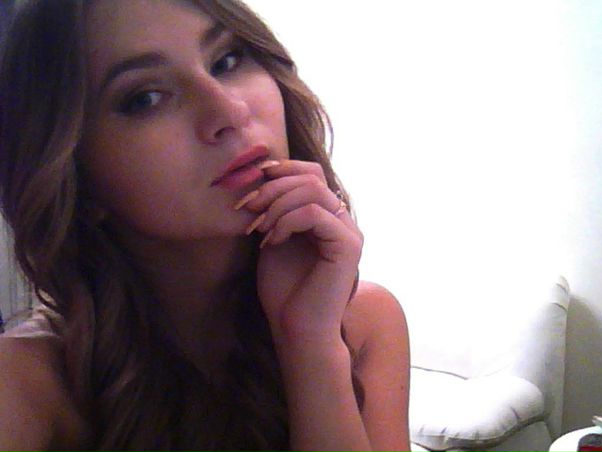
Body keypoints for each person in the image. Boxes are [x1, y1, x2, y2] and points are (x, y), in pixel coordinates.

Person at [0, 0, 411, 450]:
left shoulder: (364, 321)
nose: (228, 110)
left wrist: (311, 346)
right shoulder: (23, 382)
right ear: (74, 173)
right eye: (146, 98)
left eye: (227, 60)